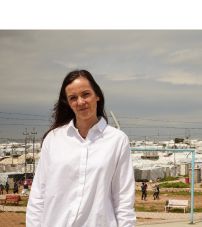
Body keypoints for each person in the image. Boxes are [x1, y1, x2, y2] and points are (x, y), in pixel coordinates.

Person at [27, 70, 136, 227]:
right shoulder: (54, 139)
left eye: (85, 94)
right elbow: (38, 195)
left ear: (97, 95)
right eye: (73, 98)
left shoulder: (118, 140)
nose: (80, 102)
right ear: (68, 103)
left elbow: (123, 199)